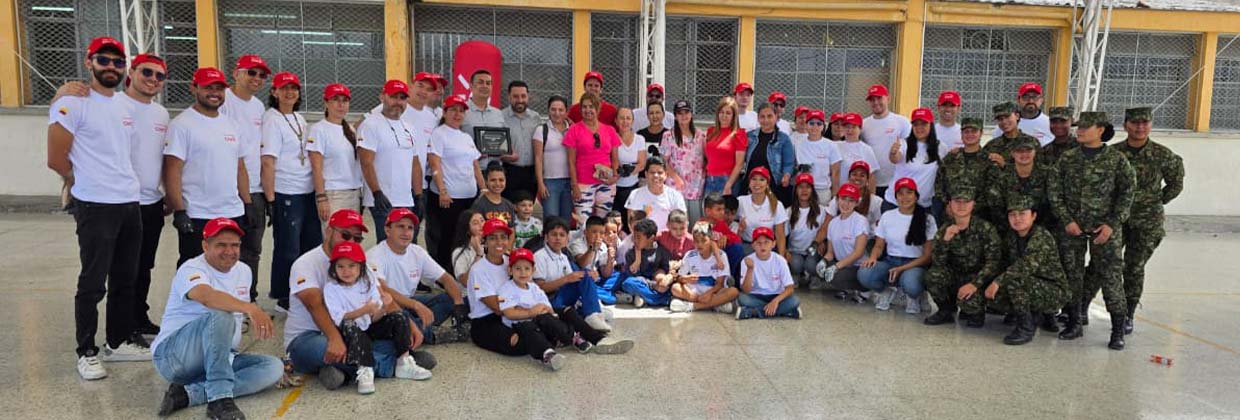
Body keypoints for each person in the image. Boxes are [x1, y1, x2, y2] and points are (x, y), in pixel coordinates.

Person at [46, 37, 148, 378]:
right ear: (89, 62)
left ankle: (117, 343)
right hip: (95, 204)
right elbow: (55, 158)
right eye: (104, 60)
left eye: (118, 63)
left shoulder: (124, 105)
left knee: (125, 278)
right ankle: (86, 350)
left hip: (128, 202)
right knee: (93, 281)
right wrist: (81, 181)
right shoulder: (72, 103)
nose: (111, 68)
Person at [151, 218, 282, 419]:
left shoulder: (244, 271)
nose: (229, 251)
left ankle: (188, 395)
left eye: (235, 245)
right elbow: (207, 297)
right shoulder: (191, 268)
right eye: (221, 245)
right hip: (174, 357)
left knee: (273, 368)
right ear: (205, 245)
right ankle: (219, 400)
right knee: (221, 313)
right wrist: (251, 308)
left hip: (219, 357)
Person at [285, 209, 430, 391]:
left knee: (380, 338)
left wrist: (408, 324)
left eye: (357, 239)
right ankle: (395, 364)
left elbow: (380, 294)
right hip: (309, 336)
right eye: (345, 235)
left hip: (354, 330)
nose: (351, 242)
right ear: (329, 231)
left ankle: (342, 372)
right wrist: (334, 338)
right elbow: (316, 306)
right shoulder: (306, 263)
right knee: (329, 348)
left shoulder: (360, 263)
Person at [1048, 111, 1135, 350]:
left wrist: (1112, 224)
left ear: (1101, 130)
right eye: (1079, 126)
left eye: (1087, 126)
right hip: (1072, 228)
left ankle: (1117, 330)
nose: (1081, 130)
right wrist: (1066, 220)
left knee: (1110, 278)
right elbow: (1054, 192)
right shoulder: (1067, 159)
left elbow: (1127, 194)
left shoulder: (1116, 160)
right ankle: (1075, 322)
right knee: (1072, 275)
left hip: (1104, 229)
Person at [164, 67, 250, 271]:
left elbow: (239, 167)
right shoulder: (182, 124)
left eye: (219, 89)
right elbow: (172, 170)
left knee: (229, 266)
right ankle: (190, 304)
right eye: (207, 88)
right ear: (194, 89)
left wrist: (246, 203)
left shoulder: (231, 125)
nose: (214, 93)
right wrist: (179, 211)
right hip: (197, 213)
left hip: (231, 211)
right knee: (193, 268)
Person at [322, 241, 429, 394]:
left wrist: (384, 307)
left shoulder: (368, 279)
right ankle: (365, 369)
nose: (346, 271)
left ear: (360, 266)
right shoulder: (332, 288)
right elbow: (340, 318)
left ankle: (403, 362)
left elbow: (373, 318)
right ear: (334, 268)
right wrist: (364, 310)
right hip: (349, 332)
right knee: (350, 324)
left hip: (370, 326)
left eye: (351, 266)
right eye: (341, 266)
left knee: (399, 316)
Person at [499, 248, 633, 370]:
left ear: (533, 270)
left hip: (540, 317)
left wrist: (540, 310)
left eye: (526, 268)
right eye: (518, 269)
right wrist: (530, 312)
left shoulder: (533, 287)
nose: (523, 272)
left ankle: (598, 339)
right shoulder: (507, 288)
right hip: (521, 323)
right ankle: (549, 354)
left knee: (567, 311)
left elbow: (548, 307)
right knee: (533, 324)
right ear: (510, 270)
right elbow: (509, 313)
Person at [1113, 106, 1184, 335]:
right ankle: (1089, 308)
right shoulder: (1114, 154)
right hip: (1118, 219)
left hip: (1147, 222)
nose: (1140, 127)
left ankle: (1128, 314)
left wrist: (1155, 202)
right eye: (1135, 123)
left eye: (1145, 123)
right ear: (1126, 126)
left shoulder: (1163, 154)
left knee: (1134, 267)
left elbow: (1175, 183)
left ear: (1151, 125)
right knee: (1107, 264)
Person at [119, 54, 172, 337]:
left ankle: (139, 318)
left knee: (144, 265)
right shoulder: (115, 104)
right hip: (122, 202)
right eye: (147, 73)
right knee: (124, 268)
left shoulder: (161, 114)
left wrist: (164, 192)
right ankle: (122, 328)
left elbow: (161, 157)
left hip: (151, 203)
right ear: (132, 72)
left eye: (159, 76)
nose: (152, 79)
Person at [261, 72, 323, 311]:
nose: (289, 93)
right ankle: (284, 295)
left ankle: (305, 288)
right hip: (286, 190)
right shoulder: (272, 119)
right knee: (288, 247)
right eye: (284, 88)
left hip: (306, 189)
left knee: (311, 243)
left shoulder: (299, 118)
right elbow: (268, 161)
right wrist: (271, 198)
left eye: (294, 88)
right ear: (274, 92)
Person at [367, 208, 470, 346]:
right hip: (386, 307)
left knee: (450, 298)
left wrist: (458, 304)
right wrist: (416, 306)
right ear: (387, 230)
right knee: (400, 318)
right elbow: (383, 291)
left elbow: (445, 278)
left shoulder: (417, 252)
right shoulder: (375, 255)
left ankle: (416, 328)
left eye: (410, 228)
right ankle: (431, 333)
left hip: (409, 301)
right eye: (400, 227)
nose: (406, 232)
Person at [218, 55, 271, 306]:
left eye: (262, 75)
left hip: (255, 189)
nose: (257, 79)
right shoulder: (222, 100)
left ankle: (248, 300)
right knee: (224, 250)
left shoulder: (258, 107)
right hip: (226, 189)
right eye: (252, 72)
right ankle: (223, 300)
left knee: (252, 250)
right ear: (236, 72)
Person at [984, 196, 1070, 345]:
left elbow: (1025, 266)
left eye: (1022, 214)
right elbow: (1001, 262)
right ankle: (1032, 315)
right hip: (1031, 286)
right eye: (1012, 215)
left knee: (1016, 281)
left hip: (1054, 290)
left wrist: (998, 282)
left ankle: (1026, 328)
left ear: (1033, 216)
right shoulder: (1012, 237)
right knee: (994, 295)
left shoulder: (1041, 237)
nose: (1017, 219)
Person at [923, 185, 1003, 328]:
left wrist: (974, 284)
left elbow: (993, 263)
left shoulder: (985, 228)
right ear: (950, 205)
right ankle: (945, 310)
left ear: (973, 204)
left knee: (970, 304)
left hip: (978, 279)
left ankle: (975, 312)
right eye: (957, 201)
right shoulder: (944, 229)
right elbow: (937, 263)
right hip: (955, 276)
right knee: (933, 276)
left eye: (966, 202)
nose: (961, 206)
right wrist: (945, 241)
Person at [368, 72, 441, 223]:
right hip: (388, 189)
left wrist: (420, 193)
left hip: (418, 187)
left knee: (410, 236)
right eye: (420, 85)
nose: (423, 91)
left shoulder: (431, 118)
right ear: (411, 86)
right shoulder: (392, 107)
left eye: (428, 89)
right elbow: (359, 129)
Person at [358, 80, 422, 243]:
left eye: (402, 98)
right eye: (394, 97)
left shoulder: (409, 127)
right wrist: (377, 192)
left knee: (408, 246)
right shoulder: (370, 124)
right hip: (383, 201)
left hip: (406, 199)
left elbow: (415, 164)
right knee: (388, 247)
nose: (398, 102)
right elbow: (366, 162)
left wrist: (419, 195)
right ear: (382, 97)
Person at [859, 178, 936, 314]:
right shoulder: (888, 216)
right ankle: (888, 290)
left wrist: (902, 268)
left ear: (916, 196)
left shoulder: (927, 219)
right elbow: (879, 246)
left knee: (911, 284)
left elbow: (927, 256)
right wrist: (872, 257)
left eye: (909, 192)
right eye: (900, 193)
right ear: (895, 197)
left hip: (915, 264)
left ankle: (914, 295)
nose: (905, 197)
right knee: (864, 273)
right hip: (891, 261)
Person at [427, 94, 486, 269]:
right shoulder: (439, 134)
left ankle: (463, 269)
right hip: (449, 198)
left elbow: (475, 165)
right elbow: (434, 162)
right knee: (447, 236)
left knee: (465, 237)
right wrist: (443, 191)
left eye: (461, 111)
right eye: (453, 110)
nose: (457, 114)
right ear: (445, 112)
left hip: (468, 197)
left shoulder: (465, 137)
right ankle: (445, 271)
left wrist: (483, 189)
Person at [531, 217, 611, 330]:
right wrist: (566, 279)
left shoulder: (563, 257)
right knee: (584, 274)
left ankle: (593, 313)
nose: (558, 238)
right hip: (549, 299)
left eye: (562, 235)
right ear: (546, 237)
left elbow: (575, 280)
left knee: (585, 275)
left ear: (567, 239)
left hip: (562, 295)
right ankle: (591, 313)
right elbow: (539, 288)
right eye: (554, 234)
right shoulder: (539, 256)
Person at [564, 92, 621, 225]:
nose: (588, 110)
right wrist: (574, 185)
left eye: (591, 106)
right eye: (584, 107)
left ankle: (602, 247)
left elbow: (615, 159)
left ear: (598, 108)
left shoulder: (610, 130)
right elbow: (571, 162)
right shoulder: (574, 130)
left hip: (606, 183)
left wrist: (615, 177)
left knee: (604, 223)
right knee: (584, 223)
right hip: (583, 183)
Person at [309, 84, 364, 217]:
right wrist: (321, 197)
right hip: (333, 195)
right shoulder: (319, 129)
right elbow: (316, 167)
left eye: (345, 101)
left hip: (354, 193)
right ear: (326, 103)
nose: (341, 105)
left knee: (351, 237)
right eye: (336, 100)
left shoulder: (350, 130)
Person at [991, 135, 1056, 239]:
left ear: (1034, 152)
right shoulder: (1003, 177)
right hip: (1011, 231)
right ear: (1012, 153)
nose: (1024, 154)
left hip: (1045, 230)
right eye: (1019, 151)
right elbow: (996, 206)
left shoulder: (1049, 174)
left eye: (1028, 151)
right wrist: (1013, 227)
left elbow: (1054, 203)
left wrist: (1038, 229)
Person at [934, 118, 997, 223]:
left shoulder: (989, 160)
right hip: (951, 215)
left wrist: (970, 208)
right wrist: (948, 205)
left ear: (981, 133)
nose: (970, 135)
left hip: (978, 217)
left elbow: (992, 190)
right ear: (961, 134)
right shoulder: (951, 158)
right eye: (966, 132)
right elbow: (939, 184)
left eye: (974, 131)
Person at [669, 221, 739, 313]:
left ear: (711, 240)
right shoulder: (690, 255)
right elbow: (680, 278)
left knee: (734, 291)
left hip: (714, 291)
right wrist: (686, 278)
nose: (700, 244)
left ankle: (694, 306)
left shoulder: (721, 255)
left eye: (703, 241)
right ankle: (715, 305)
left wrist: (709, 293)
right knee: (675, 287)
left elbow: (720, 283)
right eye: (696, 241)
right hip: (695, 292)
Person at [883, 107, 941, 213]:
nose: (919, 128)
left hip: (922, 205)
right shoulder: (903, 143)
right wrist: (893, 153)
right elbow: (895, 159)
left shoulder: (941, 147)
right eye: (916, 124)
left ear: (931, 125)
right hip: (896, 203)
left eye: (923, 124)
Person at [736, 227, 802, 320]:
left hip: (776, 295)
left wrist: (775, 301)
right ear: (753, 245)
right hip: (756, 295)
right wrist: (750, 269)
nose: (762, 246)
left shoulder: (780, 260)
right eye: (758, 243)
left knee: (794, 300)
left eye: (766, 242)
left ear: (773, 244)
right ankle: (786, 311)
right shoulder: (746, 261)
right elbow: (746, 290)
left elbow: (790, 288)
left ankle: (754, 312)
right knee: (742, 299)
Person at [821, 184, 872, 300]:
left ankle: (864, 289)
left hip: (858, 266)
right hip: (843, 265)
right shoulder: (833, 223)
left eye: (851, 200)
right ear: (838, 199)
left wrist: (836, 267)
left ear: (856, 203)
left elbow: (858, 253)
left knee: (836, 276)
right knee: (821, 271)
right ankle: (846, 287)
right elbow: (830, 253)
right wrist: (823, 262)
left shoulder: (860, 221)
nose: (846, 204)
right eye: (843, 199)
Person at [861, 84, 911, 198]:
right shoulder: (864, 125)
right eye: (872, 99)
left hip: (896, 183)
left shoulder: (902, 122)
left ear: (888, 98)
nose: (876, 102)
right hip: (872, 183)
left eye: (879, 98)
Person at [661, 100, 707, 222]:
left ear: (691, 114)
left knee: (695, 224)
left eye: (686, 112)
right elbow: (663, 161)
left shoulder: (701, 136)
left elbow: (707, 159)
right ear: (675, 116)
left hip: (696, 188)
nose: (684, 116)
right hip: (676, 186)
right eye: (680, 113)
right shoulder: (668, 136)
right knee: (678, 224)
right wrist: (675, 177)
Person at [746, 103, 797, 205]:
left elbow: (789, 163)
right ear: (758, 118)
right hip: (752, 186)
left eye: (769, 116)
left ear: (776, 117)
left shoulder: (784, 139)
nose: (766, 120)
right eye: (762, 117)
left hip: (774, 186)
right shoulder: (750, 136)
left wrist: (786, 175)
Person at [618, 219, 675, 308]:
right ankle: (660, 299)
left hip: (657, 284)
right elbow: (633, 276)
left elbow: (665, 270)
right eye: (634, 237)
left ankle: (643, 297)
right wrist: (637, 261)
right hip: (643, 283)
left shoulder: (662, 251)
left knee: (670, 287)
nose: (635, 240)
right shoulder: (630, 253)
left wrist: (661, 281)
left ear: (651, 238)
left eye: (638, 237)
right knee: (627, 283)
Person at [534, 96, 574, 220]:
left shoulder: (573, 130)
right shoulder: (541, 130)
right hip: (550, 182)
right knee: (551, 220)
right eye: (553, 109)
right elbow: (538, 158)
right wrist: (540, 183)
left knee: (566, 219)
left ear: (566, 112)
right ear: (548, 111)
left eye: (561, 110)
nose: (557, 113)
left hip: (570, 182)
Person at [500, 80, 541, 201]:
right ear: (509, 97)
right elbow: (494, 147)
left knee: (526, 209)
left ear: (528, 96)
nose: (520, 100)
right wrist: (504, 156)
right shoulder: (500, 117)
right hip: (509, 171)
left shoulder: (536, 117)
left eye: (523, 96)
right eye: (515, 96)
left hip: (531, 173)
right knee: (508, 209)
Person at [786, 173, 829, 287]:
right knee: (796, 264)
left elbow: (825, 230)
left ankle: (814, 276)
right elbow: (784, 235)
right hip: (795, 251)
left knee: (811, 264)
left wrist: (822, 243)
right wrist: (786, 252)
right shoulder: (789, 211)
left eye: (808, 187)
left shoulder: (822, 210)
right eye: (801, 187)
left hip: (814, 252)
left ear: (812, 190)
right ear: (795, 190)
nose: (804, 190)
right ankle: (796, 274)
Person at [737, 167, 790, 258]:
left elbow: (780, 235)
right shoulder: (741, 201)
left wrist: (781, 259)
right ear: (749, 183)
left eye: (762, 180)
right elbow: (728, 222)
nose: (757, 183)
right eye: (754, 179)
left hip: (768, 248)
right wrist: (739, 230)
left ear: (767, 184)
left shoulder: (777, 205)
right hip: (748, 246)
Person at [623, 157, 687, 232]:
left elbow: (683, 223)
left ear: (666, 175)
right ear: (646, 174)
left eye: (660, 173)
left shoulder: (676, 196)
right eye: (652, 172)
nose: (656, 175)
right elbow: (631, 225)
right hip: (643, 239)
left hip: (668, 240)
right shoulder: (635, 195)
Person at [571, 216, 623, 305]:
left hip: (596, 278)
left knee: (620, 276)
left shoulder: (602, 246)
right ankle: (613, 296)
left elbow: (605, 274)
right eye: (594, 232)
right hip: (582, 278)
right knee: (584, 286)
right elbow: (581, 264)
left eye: (602, 233)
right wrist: (592, 249)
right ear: (585, 232)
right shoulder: (577, 244)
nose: (598, 236)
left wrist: (610, 260)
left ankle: (598, 293)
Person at [795, 110, 843, 204]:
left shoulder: (831, 145)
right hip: (804, 190)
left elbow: (835, 172)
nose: (815, 126)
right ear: (806, 125)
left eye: (819, 123)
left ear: (823, 126)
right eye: (811, 123)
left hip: (823, 191)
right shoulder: (799, 145)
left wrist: (835, 194)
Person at [704, 97, 748, 196]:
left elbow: (739, 164)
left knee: (724, 211)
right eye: (722, 112)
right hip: (710, 179)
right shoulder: (711, 131)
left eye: (728, 113)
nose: (724, 116)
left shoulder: (738, 134)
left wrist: (728, 185)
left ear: (734, 116)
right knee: (708, 211)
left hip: (727, 180)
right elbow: (709, 157)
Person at [462, 69, 506, 168]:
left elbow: (503, 142)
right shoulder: (461, 112)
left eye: (488, 83)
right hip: (469, 170)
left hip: (494, 172)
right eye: (480, 82)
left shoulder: (498, 114)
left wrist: (506, 152)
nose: (485, 86)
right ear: (471, 86)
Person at [614, 108, 647, 230]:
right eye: (621, 118)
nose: (625, 121)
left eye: (628, 118)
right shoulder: (613, 137)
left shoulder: (639, 139)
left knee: (630, 222)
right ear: (616, 121)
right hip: (614, 186)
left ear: (632, 121)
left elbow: (642, 163)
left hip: (632, 186)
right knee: (615, 222)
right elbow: (613, 160)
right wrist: (618, 170)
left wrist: (630, 170)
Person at [828, 161, 884, 230]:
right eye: (854, 174)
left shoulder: (876, 201)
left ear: (867, 179)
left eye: (862, 175)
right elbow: (828, 222)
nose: (857, 178)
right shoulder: (838, 198)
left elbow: (881, 225)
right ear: (849, 177)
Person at [984, 102, 1041, 168]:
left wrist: (1005, 165)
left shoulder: (1032, 143)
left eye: (1007, 117)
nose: (1004, 122)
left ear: (1017, 116)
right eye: (1000, 119)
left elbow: (1038, 170)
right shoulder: (991, 146)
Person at [836, 113, 881, 193]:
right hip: (841, 193)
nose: (850, 130)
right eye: (847, 127)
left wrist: (871, 197)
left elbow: (871, 177)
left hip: (859, 194)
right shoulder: (835, 146)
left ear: (860, 129)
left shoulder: (866, 149)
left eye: (854, 127)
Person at [450, 210, 486, 285]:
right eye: (475, 223)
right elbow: (465, 281)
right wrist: (479, 255)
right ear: (467, 229)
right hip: (468, 294)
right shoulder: (459, 252)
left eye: (482, 220)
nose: (481, 225)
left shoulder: (492, 246)